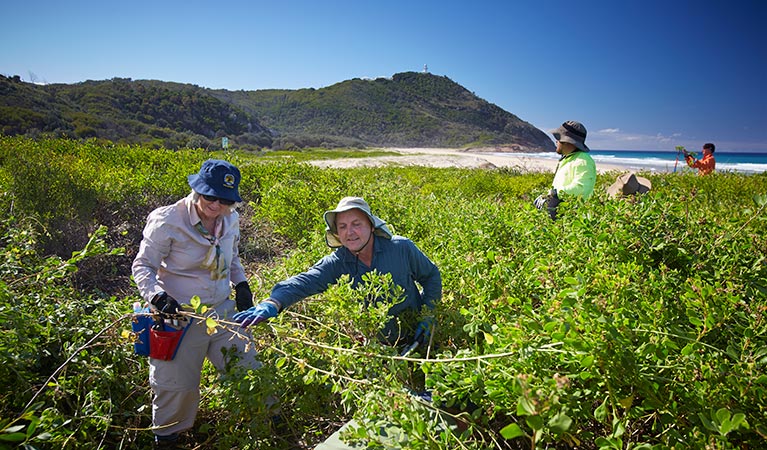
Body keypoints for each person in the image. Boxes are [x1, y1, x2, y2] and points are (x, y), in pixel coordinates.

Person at [132, 159, 260, 448]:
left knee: (248, 366)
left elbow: (232, 258)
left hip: (222, 311)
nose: (216, 205)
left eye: (225, 199)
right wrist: (156, 296)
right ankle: (166, 440)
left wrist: (240, 284)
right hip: (178, 316)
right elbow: (142, 266)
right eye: (210, 196)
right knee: (176, 387)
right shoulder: (167, 220)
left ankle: (270, 422)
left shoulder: (231, 219)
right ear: (197, 190)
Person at [232, 196, 441, 347]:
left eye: (356, 224)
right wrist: (273, 302)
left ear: (370, 225)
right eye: (342, 227)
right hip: (376, 348)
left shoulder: (401, 248)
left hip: (418, 335)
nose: (350, 232)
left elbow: (431, 276)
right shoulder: (338, 262)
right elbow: (305, 281)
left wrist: (429, 314)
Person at [534, 120, 597, 219]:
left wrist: (553, 194)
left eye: (558, 138)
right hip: (562, 217)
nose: (556, 142)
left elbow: (582, 189)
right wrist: (547, 196)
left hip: (572, 219)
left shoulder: (583, 160)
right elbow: (561, 187)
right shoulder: (568, 158)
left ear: (567, 141)